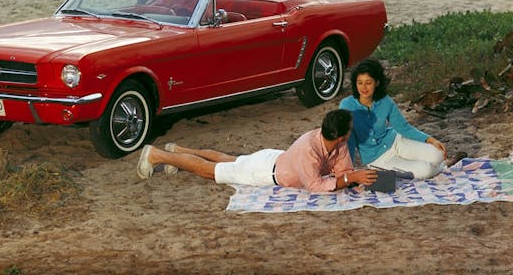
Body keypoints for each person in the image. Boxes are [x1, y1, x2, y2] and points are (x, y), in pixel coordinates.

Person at [137, 109, 378, 192]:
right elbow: (314, 186)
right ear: (340, 134)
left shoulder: (338, 143)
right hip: (264, 172)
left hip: (274, 158)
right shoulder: (309, 149)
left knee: (230, 160)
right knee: (214, 171)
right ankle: (157, 154)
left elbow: (343, 171)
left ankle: (177, 149)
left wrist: (355, 179)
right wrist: (348, 178)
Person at [340, 58, 463, 179]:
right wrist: (347, 170)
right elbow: (348, 139)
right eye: (359, 82)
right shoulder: (347, 105)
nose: (363, 88)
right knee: (425, 171)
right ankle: (444, 166)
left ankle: (439, 163)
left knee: (438, 154)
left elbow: (403, 127)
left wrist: (430, 140)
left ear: (377, 83)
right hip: (378, 159)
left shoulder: (385, 101)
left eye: (368, 82)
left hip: (396, 141)